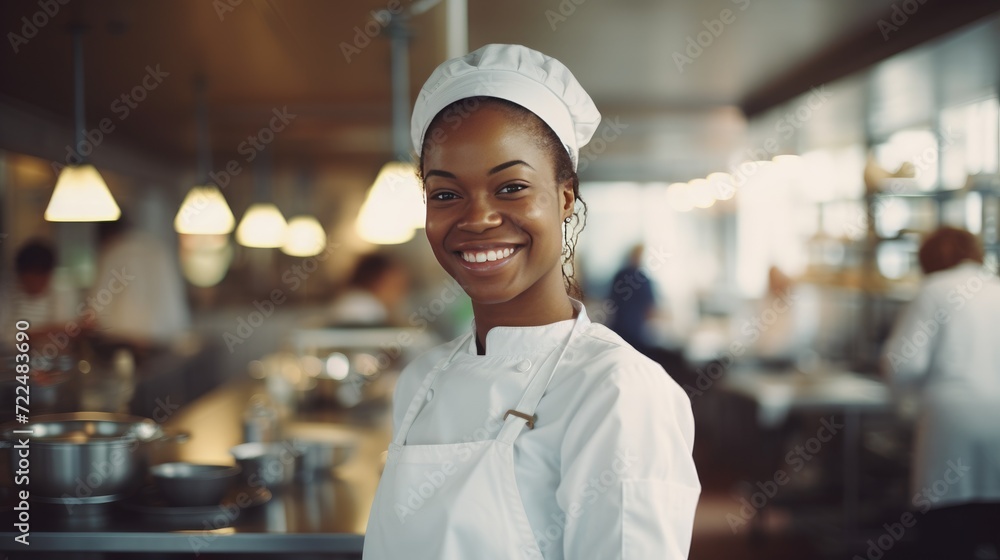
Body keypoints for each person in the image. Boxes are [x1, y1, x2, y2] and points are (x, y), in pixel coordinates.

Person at [363, 44, 700, 560]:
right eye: (446, 194)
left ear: (566, 197)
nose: (477, 219)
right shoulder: (420, 379)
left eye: (512, 187)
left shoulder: (616, 391)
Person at [880, 226, 1000, 559]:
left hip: (951, 425)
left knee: (948, 534)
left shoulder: (934, 290)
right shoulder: (997, 288)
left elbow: (905, 363)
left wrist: (898, 394)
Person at [90, 216, 190, 351]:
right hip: (165, 336)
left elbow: (97, 304)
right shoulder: (158, 248)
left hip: (124, 338)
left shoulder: (114, 251)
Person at [1, 239, 77, 341]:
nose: (34, 285)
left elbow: (67, 332)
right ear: (19, 276)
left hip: (53, 355)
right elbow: (5, 339)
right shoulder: (7, 295)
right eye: (29, 281)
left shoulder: (62, 291)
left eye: (39, 279)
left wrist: (32, 334)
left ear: (49, 275)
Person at [328, 252, 410, 326]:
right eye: (395, 284)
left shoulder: (356, 300)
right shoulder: (362, 306)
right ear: (377, 281)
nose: (400, 293)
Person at [606, 244, 657, 349]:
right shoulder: (643, 279)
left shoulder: (619, 275)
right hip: (635, 332)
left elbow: (610, 301)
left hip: (617, 329)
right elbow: (650, 309)